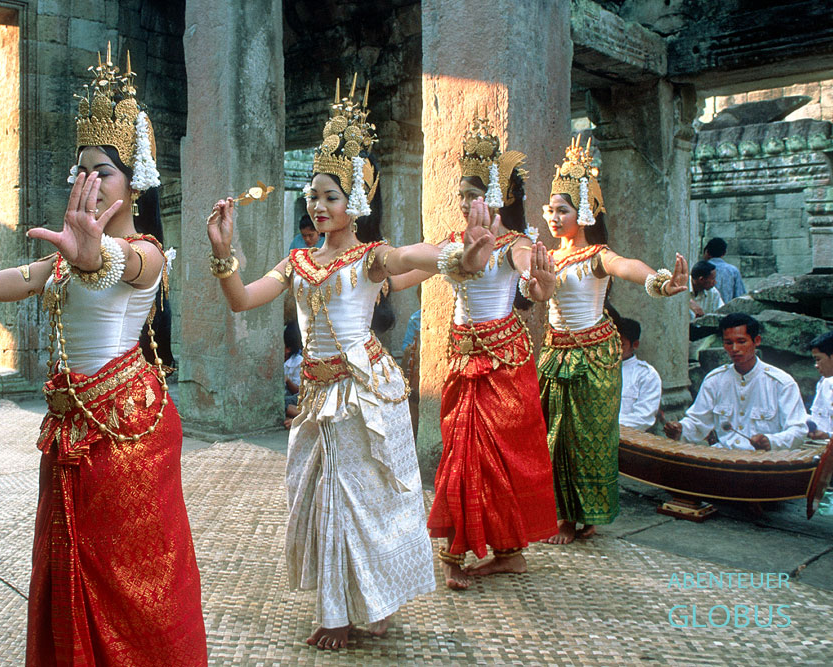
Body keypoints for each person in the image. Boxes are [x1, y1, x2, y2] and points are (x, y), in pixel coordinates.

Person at [0, 51, 207, 665]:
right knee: (68, 564)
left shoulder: (147, 251)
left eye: (103, 171)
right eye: (81, 171)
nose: (88, 182)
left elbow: (129, 268)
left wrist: (94, 256)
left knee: (128, 578)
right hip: (71, 428)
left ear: (135, 180)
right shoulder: (60, 257)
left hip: (127, 432)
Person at [205, 77, 493, 650]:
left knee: (364, 499)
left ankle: (359, 607)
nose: (319, 205)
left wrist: (463, 250)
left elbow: (414, 255)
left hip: (363, 390)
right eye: (313, 196)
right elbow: (241, 299)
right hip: (315, 395)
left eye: (331, 196)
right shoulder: (298, 263)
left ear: (354, 201)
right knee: (320, 499)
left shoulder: (369, 259)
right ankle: (343, 604)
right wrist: (222, 254)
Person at [417, 113, 558, 590]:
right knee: (460, 449)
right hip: (462, 357)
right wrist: (373, 278)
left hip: (503, 363)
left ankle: (505, 551)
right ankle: (461, 547)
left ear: (499, 198)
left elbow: (531, 279)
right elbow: (411, 269)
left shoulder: (516, 244)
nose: (463, 204)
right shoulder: (454, 244)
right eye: (460, 196)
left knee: (500, 456)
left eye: (472, 196)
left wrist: (540, 283)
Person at [539, 136, 689, 545]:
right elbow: (534, 294)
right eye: (551, 210)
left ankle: (580, 517)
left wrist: (658, 281)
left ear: (584, 213)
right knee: (554, 434)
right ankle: (559, 511)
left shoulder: (596, 256)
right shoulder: (546, 257)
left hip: (592, 357)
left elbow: (628, 267)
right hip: (555, 353)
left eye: (563, 210)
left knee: (586, 437)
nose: (554, 217)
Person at [665, 313, 808, 451]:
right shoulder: (714, 380)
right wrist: (680, 429)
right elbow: (698, 423)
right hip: (723, 457)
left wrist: (771, 441)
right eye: (728, 343)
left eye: (741, 342)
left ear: (756, 341)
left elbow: (798, 430)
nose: (734, 349)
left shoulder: (781, 383)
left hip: (765, 462)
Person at [617, 317, 662, 431]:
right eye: (610, 344)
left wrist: (606, 426)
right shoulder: (596, 369)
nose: (614, 350)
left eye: (621, 345)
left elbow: (643, 418)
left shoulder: (646, 375)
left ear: (635, 344)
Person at [807, 331, 833, 440]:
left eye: (818, 359)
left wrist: (828, 435)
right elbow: (817, 419)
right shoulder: (825, 383)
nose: (816, 366)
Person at [703, 237, 746, 302]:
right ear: (724, 253)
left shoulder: (701, 268)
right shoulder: (733, 270)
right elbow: (740, 296)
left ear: (707, 252)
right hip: (727, 310)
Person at [284, 321, 303, 428]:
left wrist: (288, 381)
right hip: (289, 397)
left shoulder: (298, 362)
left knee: (280, 405)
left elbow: (298, 391)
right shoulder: (283, 361)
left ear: (288, 349)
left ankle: (304, 417)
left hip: (298, 397)